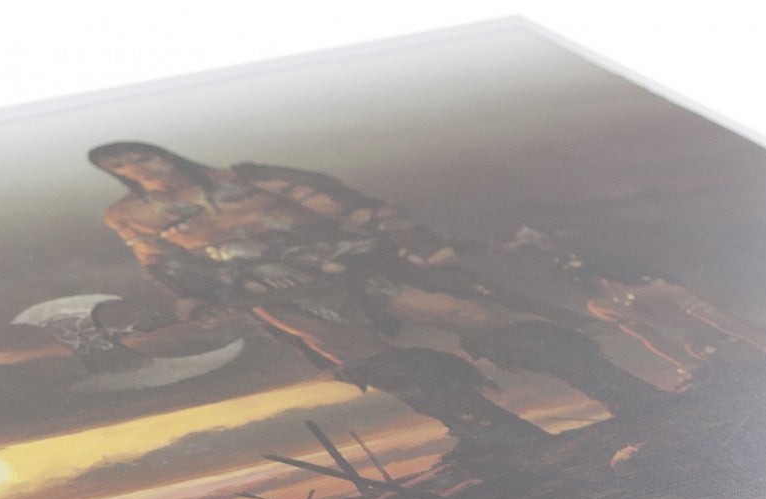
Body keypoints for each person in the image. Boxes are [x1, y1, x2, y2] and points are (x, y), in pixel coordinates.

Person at [87, 142, 657, 440]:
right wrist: (190, 295)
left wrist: (414, 242)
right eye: (126, 166)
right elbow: (161, 260)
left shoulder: (252, 178)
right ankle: (492, 434)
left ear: (163, 154)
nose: (141, 168)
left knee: (472, 315)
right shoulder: (130, 214)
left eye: (143, 155)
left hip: (352, 263)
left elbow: (353, 207)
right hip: (268, 288)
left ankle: (621, 392)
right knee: (366, 358)